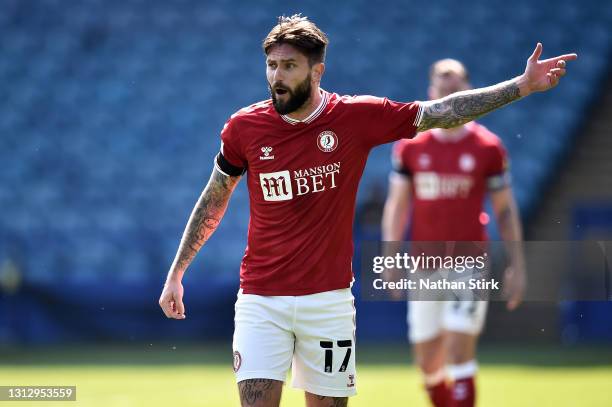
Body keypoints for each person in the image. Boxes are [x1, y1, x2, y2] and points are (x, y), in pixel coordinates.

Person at [158, 15, 576, 407]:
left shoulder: (355, 117)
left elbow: (443, 113)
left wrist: (521, 86)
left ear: (316, 71)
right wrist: (178, 271)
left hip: (329, 303)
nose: (276, 77)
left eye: (289, 66)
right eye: (271, 65)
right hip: (261, 299)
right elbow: (215, 195)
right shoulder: (244, 128)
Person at [381, 59, 527, 407]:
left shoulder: (487, 147)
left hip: (470, 263)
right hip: (424, 264)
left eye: (458, 88)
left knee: (460, 349)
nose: (450, 94)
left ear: (470, 92)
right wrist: (390, 255)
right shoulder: (411, 147)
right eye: (444, 88)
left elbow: (505, 209)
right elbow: (397, 205)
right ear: (432, 93)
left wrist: (517, 264)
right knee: (427, 361)